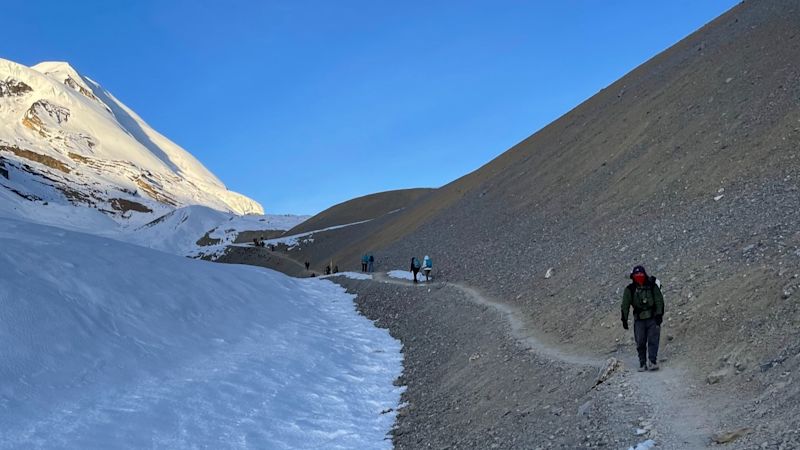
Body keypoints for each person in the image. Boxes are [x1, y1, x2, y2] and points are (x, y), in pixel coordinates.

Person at [621, 265, 665, 372]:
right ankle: (642, 362)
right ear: (633, 276)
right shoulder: (630, 289)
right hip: (639, 320)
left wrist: (659, 315)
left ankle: (652, 361)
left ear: (644, 274)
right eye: (637, 275)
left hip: (653, 318)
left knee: (653, 340)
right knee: (640, 341)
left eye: (641, 274)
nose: (639, 276)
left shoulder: (652, 286)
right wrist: (624, 319)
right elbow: (625, 305)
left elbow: (659, 300)